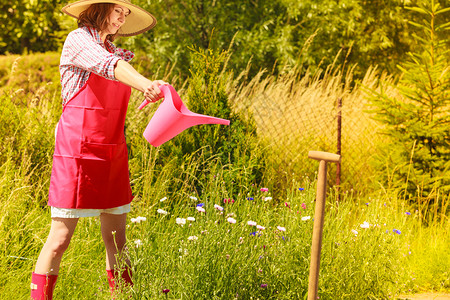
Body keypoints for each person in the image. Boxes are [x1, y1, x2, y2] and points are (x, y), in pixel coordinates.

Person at [30, 1, 166, 299]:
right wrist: (145, 84)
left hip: (112, 151)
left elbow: (117, 65)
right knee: (60, 238)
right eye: (118, 10)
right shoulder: (79, 40)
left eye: (126, 14)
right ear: (99, 9)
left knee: (118, 240)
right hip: (77, 151)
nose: (122, 17)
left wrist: (157, 89)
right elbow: (109, 67)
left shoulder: (116, 52)